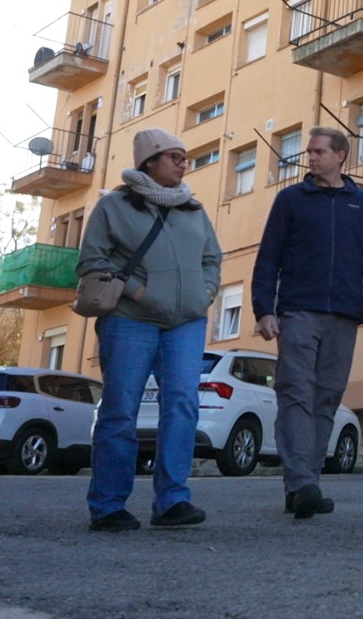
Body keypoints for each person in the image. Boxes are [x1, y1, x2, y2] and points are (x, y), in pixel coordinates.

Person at [79, 128, 221, 532]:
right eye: (174, 156)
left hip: (186, 323)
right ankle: (107, 505)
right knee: (121, 409)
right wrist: (139, 292)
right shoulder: (113, 207)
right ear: (149, 163)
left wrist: (206, 292)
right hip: (130, 320)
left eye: (184, 157)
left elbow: (213, 257)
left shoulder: (193, 210)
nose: (183, 163)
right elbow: (92, 262)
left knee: (182, 406)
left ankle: (173, 500)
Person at [252, 127, 363, 519]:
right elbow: (268, 258)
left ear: (340, 156)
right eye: (308, 152)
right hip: (297, 313)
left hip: (344, 317)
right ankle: (303, 484)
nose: (310, 158)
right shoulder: (290, 201)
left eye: (318, 152)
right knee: (296, 394)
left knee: (325, 400)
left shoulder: (362, 205)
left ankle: (302, 485)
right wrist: (264, 308)